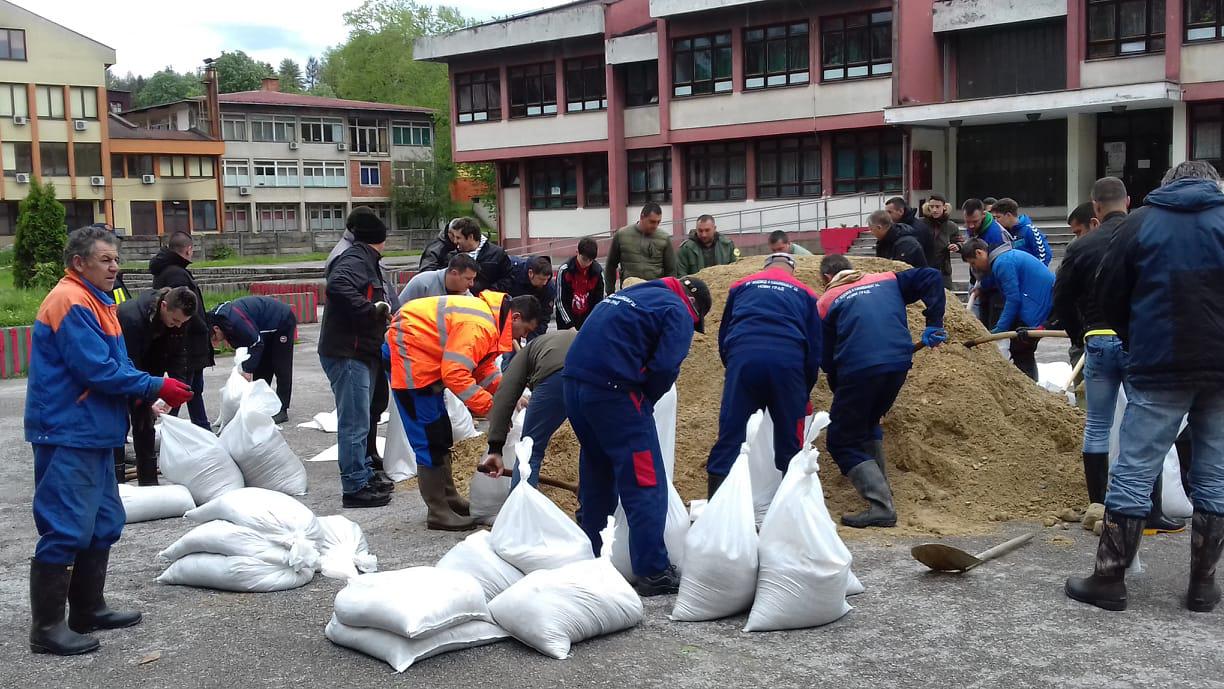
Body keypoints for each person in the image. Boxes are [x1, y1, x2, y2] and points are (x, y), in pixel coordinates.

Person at [25, 226, 192, 656]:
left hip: (94, 430)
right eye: (105, 260)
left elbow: (116, 365)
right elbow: (95, 370)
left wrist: (145, 393)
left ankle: (87, 609)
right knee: (65, 525)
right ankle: (46, 628)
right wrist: (156, 385)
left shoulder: (99, 303)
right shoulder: (69, 301)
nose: (115, 267)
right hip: (68, 430)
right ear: (79, 263)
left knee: (102, 522)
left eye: (116, 259)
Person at [1067, 161, 1224, 613]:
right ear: (1213, 185)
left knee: (1134, 469)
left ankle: (1110, 580)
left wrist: (1137, 339)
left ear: (1166, 186)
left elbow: (1108, 295)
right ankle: (1203, 586)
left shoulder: (1139, 225)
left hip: (1160, 363)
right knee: (1214, 475)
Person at [563, 276, 712, 596]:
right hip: (615, 394)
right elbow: (665, 366)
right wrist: (644, 402)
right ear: (694, 305)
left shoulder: (631, 295)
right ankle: (653, 570)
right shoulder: (678, 310)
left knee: (598, 471)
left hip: (574, 388)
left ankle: (591, 554)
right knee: (646, 482)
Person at [1053, 177, 1184, 534]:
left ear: (1095, 207)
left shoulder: (1083, 246)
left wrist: (1077, 334)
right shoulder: (1145, 234)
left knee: (1097, 425)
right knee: (1142, 424)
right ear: (1128, 200)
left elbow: (1061, 298)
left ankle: (1099, 506)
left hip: (1096, 341)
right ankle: (1152, 512)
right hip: (1138, 341)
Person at [387, 292, 543, 530]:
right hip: (410, 359)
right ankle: (438, 511)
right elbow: (455, 373)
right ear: (516, 317)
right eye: (524, 331)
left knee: (440, 434)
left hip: (423, 360)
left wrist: (510, 395)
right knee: (428, 439)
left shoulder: (490, 322)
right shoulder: (480, 326)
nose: (522, 338)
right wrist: (491, 408)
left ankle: (449, 499)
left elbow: (483, 370)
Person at [817, 254, 946, 528]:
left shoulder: (826, 302)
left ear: (827, 278)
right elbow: (932, 276)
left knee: (840, 440)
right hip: (898, 363)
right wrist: (934, 321)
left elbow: (827, 359)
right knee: (867, 422)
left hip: (859, 368)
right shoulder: (887, 280)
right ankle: (883, 491)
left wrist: (838, 388)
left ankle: (881, 506)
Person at [705, 254, 821, 498]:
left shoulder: (741, 285)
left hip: (744, 359)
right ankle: (789, 511)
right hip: (788, 365)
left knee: (731, 434)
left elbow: (724, 333)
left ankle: (716, 509)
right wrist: (804, 391)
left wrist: (734, 367)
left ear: (765, 267)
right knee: (790, 441)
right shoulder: (806, 293)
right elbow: (814, 348)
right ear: (792, 271)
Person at [319, 210, 395, 509]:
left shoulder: (363, 258)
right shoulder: (354, 260)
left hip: (359, 350)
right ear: (381, 239)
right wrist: (369, 311)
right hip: (347, 352)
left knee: (362, 419)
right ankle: (354, 486)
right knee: (354, 422)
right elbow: (337, 286)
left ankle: (363, 473)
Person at [117, 287, 197, 486]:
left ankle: (149, 481)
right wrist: (145, 394)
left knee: (146, 425)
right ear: (163, 306)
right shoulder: (130, 317)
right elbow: (128, 364)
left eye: (182, 323)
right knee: (119, 424)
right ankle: (116, 482)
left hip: (152, 369)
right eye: (175, 321)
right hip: (124, 372)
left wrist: (177, 392)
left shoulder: (179, 321)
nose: (178, 326)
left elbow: (178, 357)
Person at [480, 328, 579, 488]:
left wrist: (495, 448)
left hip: (558, 376)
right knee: (595, 450)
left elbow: (505, 396)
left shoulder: (526, 353)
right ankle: (597, 511)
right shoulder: (564, 340)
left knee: (530, 449)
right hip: (600, 377)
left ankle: (520, 511)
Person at [960, 239, 1053, 381]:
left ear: (979, 253)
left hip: (1037, 305)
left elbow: (1013, 299)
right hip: (1037, 301)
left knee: (1021, 350)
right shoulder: (1003, 258)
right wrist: (982, 286)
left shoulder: (1003, 263)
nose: (975, 267)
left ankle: (1029, 391)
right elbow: (998, 280)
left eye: (973, 263)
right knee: (1020, 349)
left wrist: (1000, 329)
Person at [148, 231, 214, 430]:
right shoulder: (176, 273)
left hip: (186, 342)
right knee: (183, 389)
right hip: (187, 343)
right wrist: (204, 329)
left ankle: (201, 429)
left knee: (191, 389)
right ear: (188, 250)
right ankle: (174, 430)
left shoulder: (169, 270)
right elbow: (185, 311)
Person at [208, 296, 297, 423]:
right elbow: (250, 345)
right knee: (262, 367)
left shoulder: (235, 322)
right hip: (263, 327)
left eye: (215, 339)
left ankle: (282, 409)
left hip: (281, 320)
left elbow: (256, 343)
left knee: (281, 366)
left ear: (216, 328)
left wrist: (247, 370)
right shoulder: (218, 320)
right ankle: (263, 405)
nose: (216, 343)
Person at [605, 203, 677, 292]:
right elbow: (610, 266)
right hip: (629, 291)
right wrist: (610, 292)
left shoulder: (664, 238)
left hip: (655, 291)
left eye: (658, 222)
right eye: (652, 221)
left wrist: (669, 293)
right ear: (642, 217)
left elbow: (671, 270)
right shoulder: (622, 235)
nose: (655, 225)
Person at [449, 217, 512, 295]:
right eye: (454, 237)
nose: (455, 241)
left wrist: (490, 292)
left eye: (458, 238)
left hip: (489, 302)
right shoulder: (453, 256)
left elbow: (509, 279)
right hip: (461, 303)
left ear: (470, 237)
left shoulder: (497, 253)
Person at [555, 237, 604, 330]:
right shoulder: (565, 270)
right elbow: (560, 301)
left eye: (591, 260)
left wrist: (593, 321)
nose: (587, 263)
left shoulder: (598, 272)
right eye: (584, 259)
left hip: (588, 321)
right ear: (577, 252)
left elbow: (599, 301)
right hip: (567, 322)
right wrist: (569, 325)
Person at [915, 195, 963, 289]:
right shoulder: (920, 224)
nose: (934, 210)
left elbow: (960, 241)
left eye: (937, 206)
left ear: (944, 207)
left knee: (946, 297)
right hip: (924, 266)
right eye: (931, 207)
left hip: (943, 269)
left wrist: (957, 246)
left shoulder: (951, 226)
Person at [992, 198, 1052, 267]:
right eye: (994, 218)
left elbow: (1044, 254)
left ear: (1008, 215)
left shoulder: (1029, 231)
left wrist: (1034, 273)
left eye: (998, 217)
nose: (996, 221)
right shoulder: (1003, 232)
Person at [398, 253, 478, 303]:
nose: (472, 284)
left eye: (473, 279)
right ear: (454, 273)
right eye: (468, 279)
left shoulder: (466, 294)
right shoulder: (422, 282)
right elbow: (398, 309)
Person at [508, 255, 555, 339]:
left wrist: (533, 341)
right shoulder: (512, 271)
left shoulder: (548, 288)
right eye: (541, 279)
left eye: (547, 279)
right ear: (530, 273)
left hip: (527, 321)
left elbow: (544, 317)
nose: (544, 283)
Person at [886, 196, 934, 263]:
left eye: (889, 212)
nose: (886, 215)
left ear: (901, 211)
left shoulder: (916, 229)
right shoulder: (899, 227)